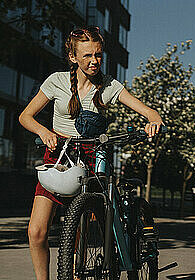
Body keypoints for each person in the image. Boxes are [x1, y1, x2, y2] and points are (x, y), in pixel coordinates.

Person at [18, 27, 163, 280]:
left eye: (98, 54)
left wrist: (153, 119)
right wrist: (44, 132)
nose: (94, 61)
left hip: (92, 156)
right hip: (59, 158)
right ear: (73, 57)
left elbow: (150, 112)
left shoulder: (109, 86)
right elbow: (25, 116)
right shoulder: (56, 81)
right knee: (36, 232)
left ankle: (77, 271)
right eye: (86, 56)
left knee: (81, 225)